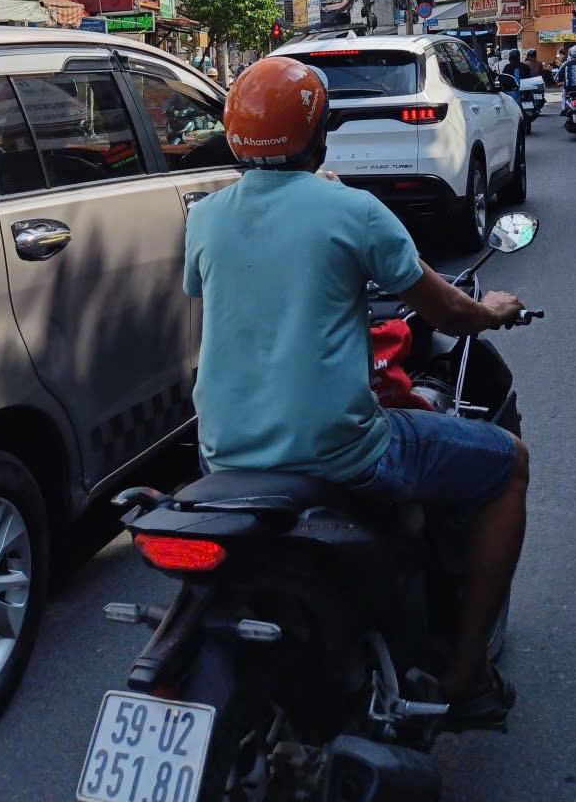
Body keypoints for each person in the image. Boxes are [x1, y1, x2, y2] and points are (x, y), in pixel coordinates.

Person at [184, 55, 529, 724]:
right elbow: (447, 314)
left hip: (222, 454)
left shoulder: (207, 217)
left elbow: (221, 284)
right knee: (509, 465)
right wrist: (492, 310)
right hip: (340, 451)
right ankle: (466, 674)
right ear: (319, 137)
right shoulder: (354, 211)